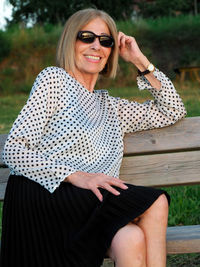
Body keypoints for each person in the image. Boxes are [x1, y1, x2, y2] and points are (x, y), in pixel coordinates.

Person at [1, 8, 186, 267]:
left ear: (111, 51)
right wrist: (80, 177)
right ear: (70, 42)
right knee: (155, 202)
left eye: (105, 40)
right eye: (86, 37)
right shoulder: (53, 80)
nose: (96, 45)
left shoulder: (111, 107)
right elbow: (13, 150)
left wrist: (140, 60)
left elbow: (173, 110)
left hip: (91, 205)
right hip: (48, 196)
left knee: (130, 237)